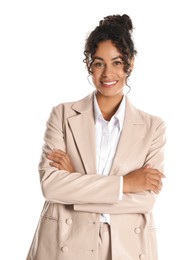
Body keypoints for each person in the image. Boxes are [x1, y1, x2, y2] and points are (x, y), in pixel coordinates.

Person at [26, 14, 166, 260]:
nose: (107, 73)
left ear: (130, 63)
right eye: (99, 63)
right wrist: (126, 184)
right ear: (89, 64)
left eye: (117, 62)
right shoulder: (62, 114)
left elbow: (144, 202)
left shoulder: (153, 127)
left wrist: (75, 183)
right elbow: (51, 185)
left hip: (127, 247)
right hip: (65, 239)